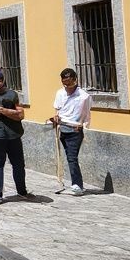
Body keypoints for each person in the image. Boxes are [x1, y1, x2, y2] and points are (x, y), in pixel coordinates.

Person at [0, 68, 33, 204]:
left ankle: (21, 191)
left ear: (3, 80)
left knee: (18, 164)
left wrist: (4, 111)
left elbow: (20, 114)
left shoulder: (12, 95)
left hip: (13, 133)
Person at [49, 68, 92, 196]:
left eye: (69, 83)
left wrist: (82, 125)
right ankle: (72, 183)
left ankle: (77, 185)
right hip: (62, 128)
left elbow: (87, 113)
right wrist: (56, 117)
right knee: (67, 156)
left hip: (74, 129)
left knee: (72, 157)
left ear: (75, 80)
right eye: (64, 83)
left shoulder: (84, 96)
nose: (67, 86)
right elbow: (58, 110)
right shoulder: (60, 93)